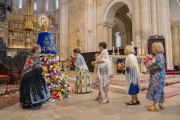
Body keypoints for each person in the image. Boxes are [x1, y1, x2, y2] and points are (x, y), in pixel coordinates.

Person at [20, 44, 51, 109]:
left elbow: (34, 64)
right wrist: (42, 68)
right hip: (30, 75)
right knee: (39, 81)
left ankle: (27, 101)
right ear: (36, 50)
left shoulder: (30, 54)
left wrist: (40, 66)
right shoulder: (36, 55)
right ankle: (35, 101)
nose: (41, 50)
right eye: (40, 48)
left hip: (25, 75)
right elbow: (36, 66)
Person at [146, 42, 166, 111]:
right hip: (161, 74)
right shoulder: (161, 55)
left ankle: (155, 105)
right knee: (160, 89)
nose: (152, 48)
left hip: (157, 75)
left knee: (156, 88)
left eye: (153, 47)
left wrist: (151, 66)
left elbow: (160, 66)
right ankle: (161, 103)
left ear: (156, 48)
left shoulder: (158, 56)